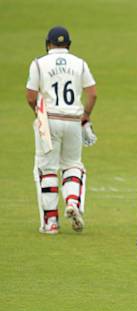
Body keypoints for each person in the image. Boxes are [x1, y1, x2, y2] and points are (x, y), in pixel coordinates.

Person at [26, 26, 97, 234]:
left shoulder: (38, 64)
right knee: (72, 165)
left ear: (48, 43)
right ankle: (73, 201)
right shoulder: (79, 63)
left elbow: (31, 97)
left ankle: (51, 223)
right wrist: (85, 116)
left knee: (47, 168)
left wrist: (39, 114)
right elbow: (92, 94)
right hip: (73, 119)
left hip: (49, 120)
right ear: (69, 44)